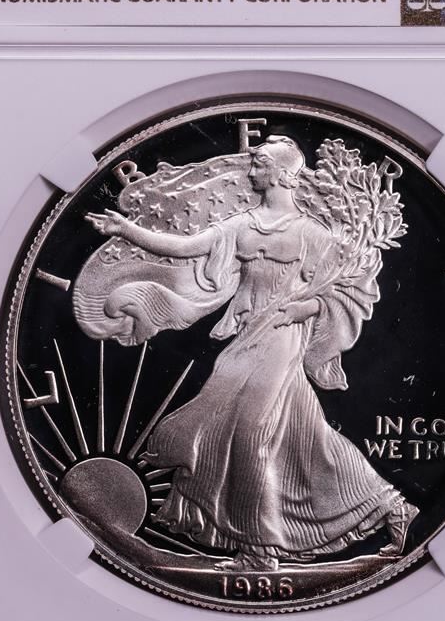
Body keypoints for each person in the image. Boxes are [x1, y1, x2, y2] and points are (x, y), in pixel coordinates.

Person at [87, 135, 417, 570]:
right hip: (247, 338)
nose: (251, 170)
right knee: (308, 438)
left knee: (249, 434)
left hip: (282, 338)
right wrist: (126, 230)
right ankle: (393, 508)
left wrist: (304, 308)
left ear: (282, 175)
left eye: (260, 164)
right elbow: (185, 247)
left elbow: (348, 290)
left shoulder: (314, 234)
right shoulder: (242, 224)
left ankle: (261, 551)